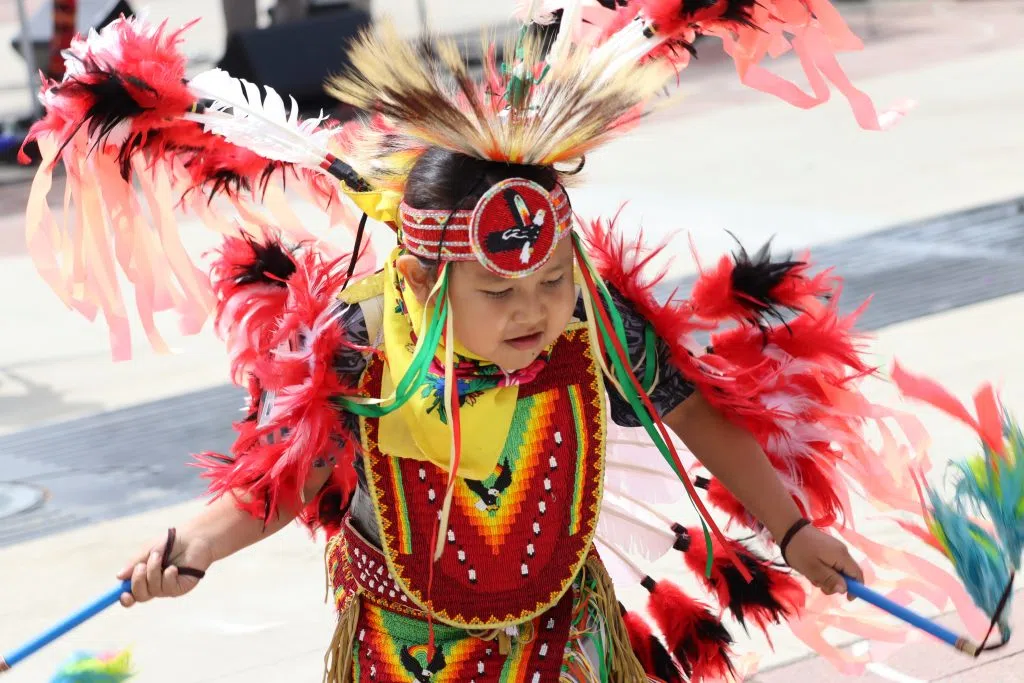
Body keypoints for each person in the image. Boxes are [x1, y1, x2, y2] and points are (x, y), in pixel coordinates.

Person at [19, 3, 938, 682]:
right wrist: (191, 548)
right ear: (424, 278)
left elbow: (691, 409)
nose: (536, 309)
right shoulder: (358, 344)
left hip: (567, 643)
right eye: (499, 290)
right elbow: (283, 480)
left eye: (549, 281)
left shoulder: (595, 322)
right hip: (406, 656)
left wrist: (792, 524)